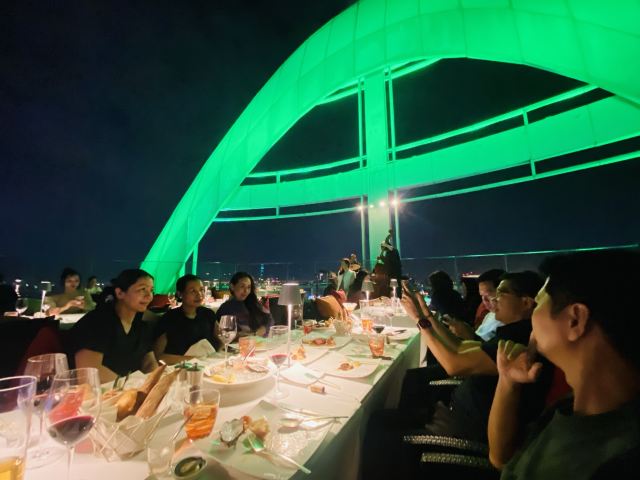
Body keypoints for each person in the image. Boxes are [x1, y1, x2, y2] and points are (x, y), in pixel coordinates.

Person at [362, 271, 550, 478]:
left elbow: (454, 364)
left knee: (379, 428)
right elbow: (459, 347)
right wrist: (425, 314)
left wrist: (419, 319)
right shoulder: (512, 333)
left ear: (526, 303)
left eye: (501, 294)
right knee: (393, 405)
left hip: (467, 429)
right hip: (459, 409)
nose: (494, 299)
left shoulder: (519, 343)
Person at [489, 250, 640, 478]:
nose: (532, 317)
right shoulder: (568, 407)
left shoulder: (621, 462)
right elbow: (502, 459)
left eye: (538, 304)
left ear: (575, 320)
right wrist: (507, 381)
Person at [70, 269, 159, 382]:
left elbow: (149, 362)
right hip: (92, 391)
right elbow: (89, 372)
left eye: (151, 290)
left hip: (129, 389)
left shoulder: (140, 325)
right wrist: (130, 385)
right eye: (142, 289)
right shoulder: (98, 322)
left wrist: (154, 382)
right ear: (120, 293)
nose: (149, 296)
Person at [154, 274, 221, 364]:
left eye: (201, 290)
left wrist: (215, 357)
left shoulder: (208, 313)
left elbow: (222, 338)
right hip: (180, 367)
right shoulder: (170, 318)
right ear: (180, 294)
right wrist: (195, 360)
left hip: (209, 364)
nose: (199, 294)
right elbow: (158, 356)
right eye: (193, 291)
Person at [448, 268, 505, 341]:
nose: (484, 301)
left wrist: (468, 335)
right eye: (482, 296)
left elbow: (490, 347)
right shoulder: (489, 315)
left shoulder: (507, 322)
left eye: (488, 295)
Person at [216, 272, 273, 336]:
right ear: (232, 287)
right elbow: (222, 333)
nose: (246, 291)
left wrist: (263, 329)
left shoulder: (253, 303)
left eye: (248, 287)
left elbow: (269, 318)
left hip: (259, 340)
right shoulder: (225, 308)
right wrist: (242, 335)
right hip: (239, 341)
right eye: (242, 286)